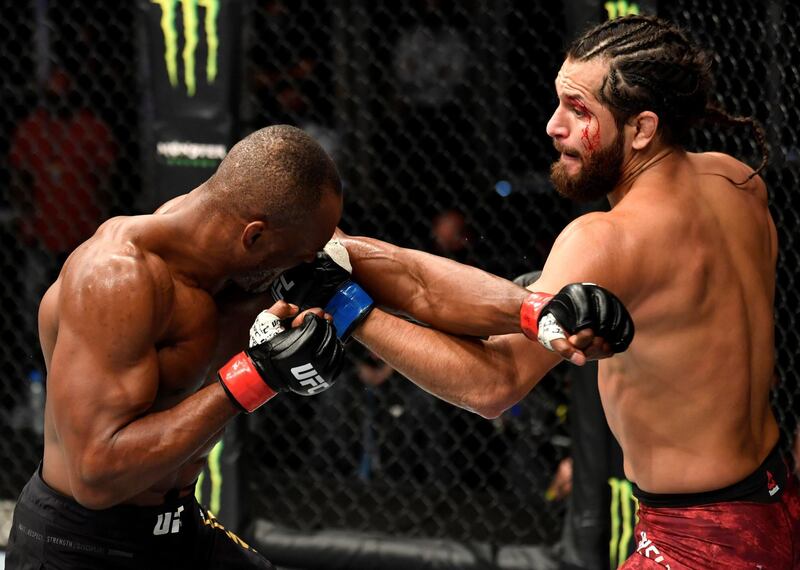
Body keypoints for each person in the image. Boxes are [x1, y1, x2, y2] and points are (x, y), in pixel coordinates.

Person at [273, 15, 799, 568]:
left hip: (699, 542)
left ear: (642, 129)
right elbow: (459, 294)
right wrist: (345, 251)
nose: (553, 126)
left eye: (578, 110)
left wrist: (348, 308)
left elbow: (493, 385)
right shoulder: (737, 182)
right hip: (774, 500)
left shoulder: (605, 240)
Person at [5, 125, 348, 569]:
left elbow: (341, 254)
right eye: (301, 253)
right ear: (254, 237)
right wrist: (257, 375)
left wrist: (345, 297)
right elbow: (96, 475)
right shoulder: (120, 280)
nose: (305, 266)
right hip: (83, 548)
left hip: (180, 529)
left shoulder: (227, 249)